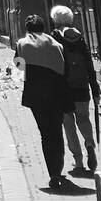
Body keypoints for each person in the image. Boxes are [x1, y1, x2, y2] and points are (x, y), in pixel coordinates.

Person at [15, 14, 70, 189]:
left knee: (45, 133)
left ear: (27, 29)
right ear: (43, 27)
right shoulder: (57, 44)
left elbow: (18, 65)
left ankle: (52, 173)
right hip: (57, 93)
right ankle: (58, 168)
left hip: (36, 95)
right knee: (56, 130)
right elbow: (65, 70)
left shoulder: (22, 44)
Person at [50, 5, 100, 175]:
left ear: (55, 20)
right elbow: (89, 65)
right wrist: (95, 88)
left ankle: (78, 160)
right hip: (82, 87)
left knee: (68, 125)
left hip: (64, 89)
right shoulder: (79, 38)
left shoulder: (55, 37)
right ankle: (89, 143)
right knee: (84, 119)